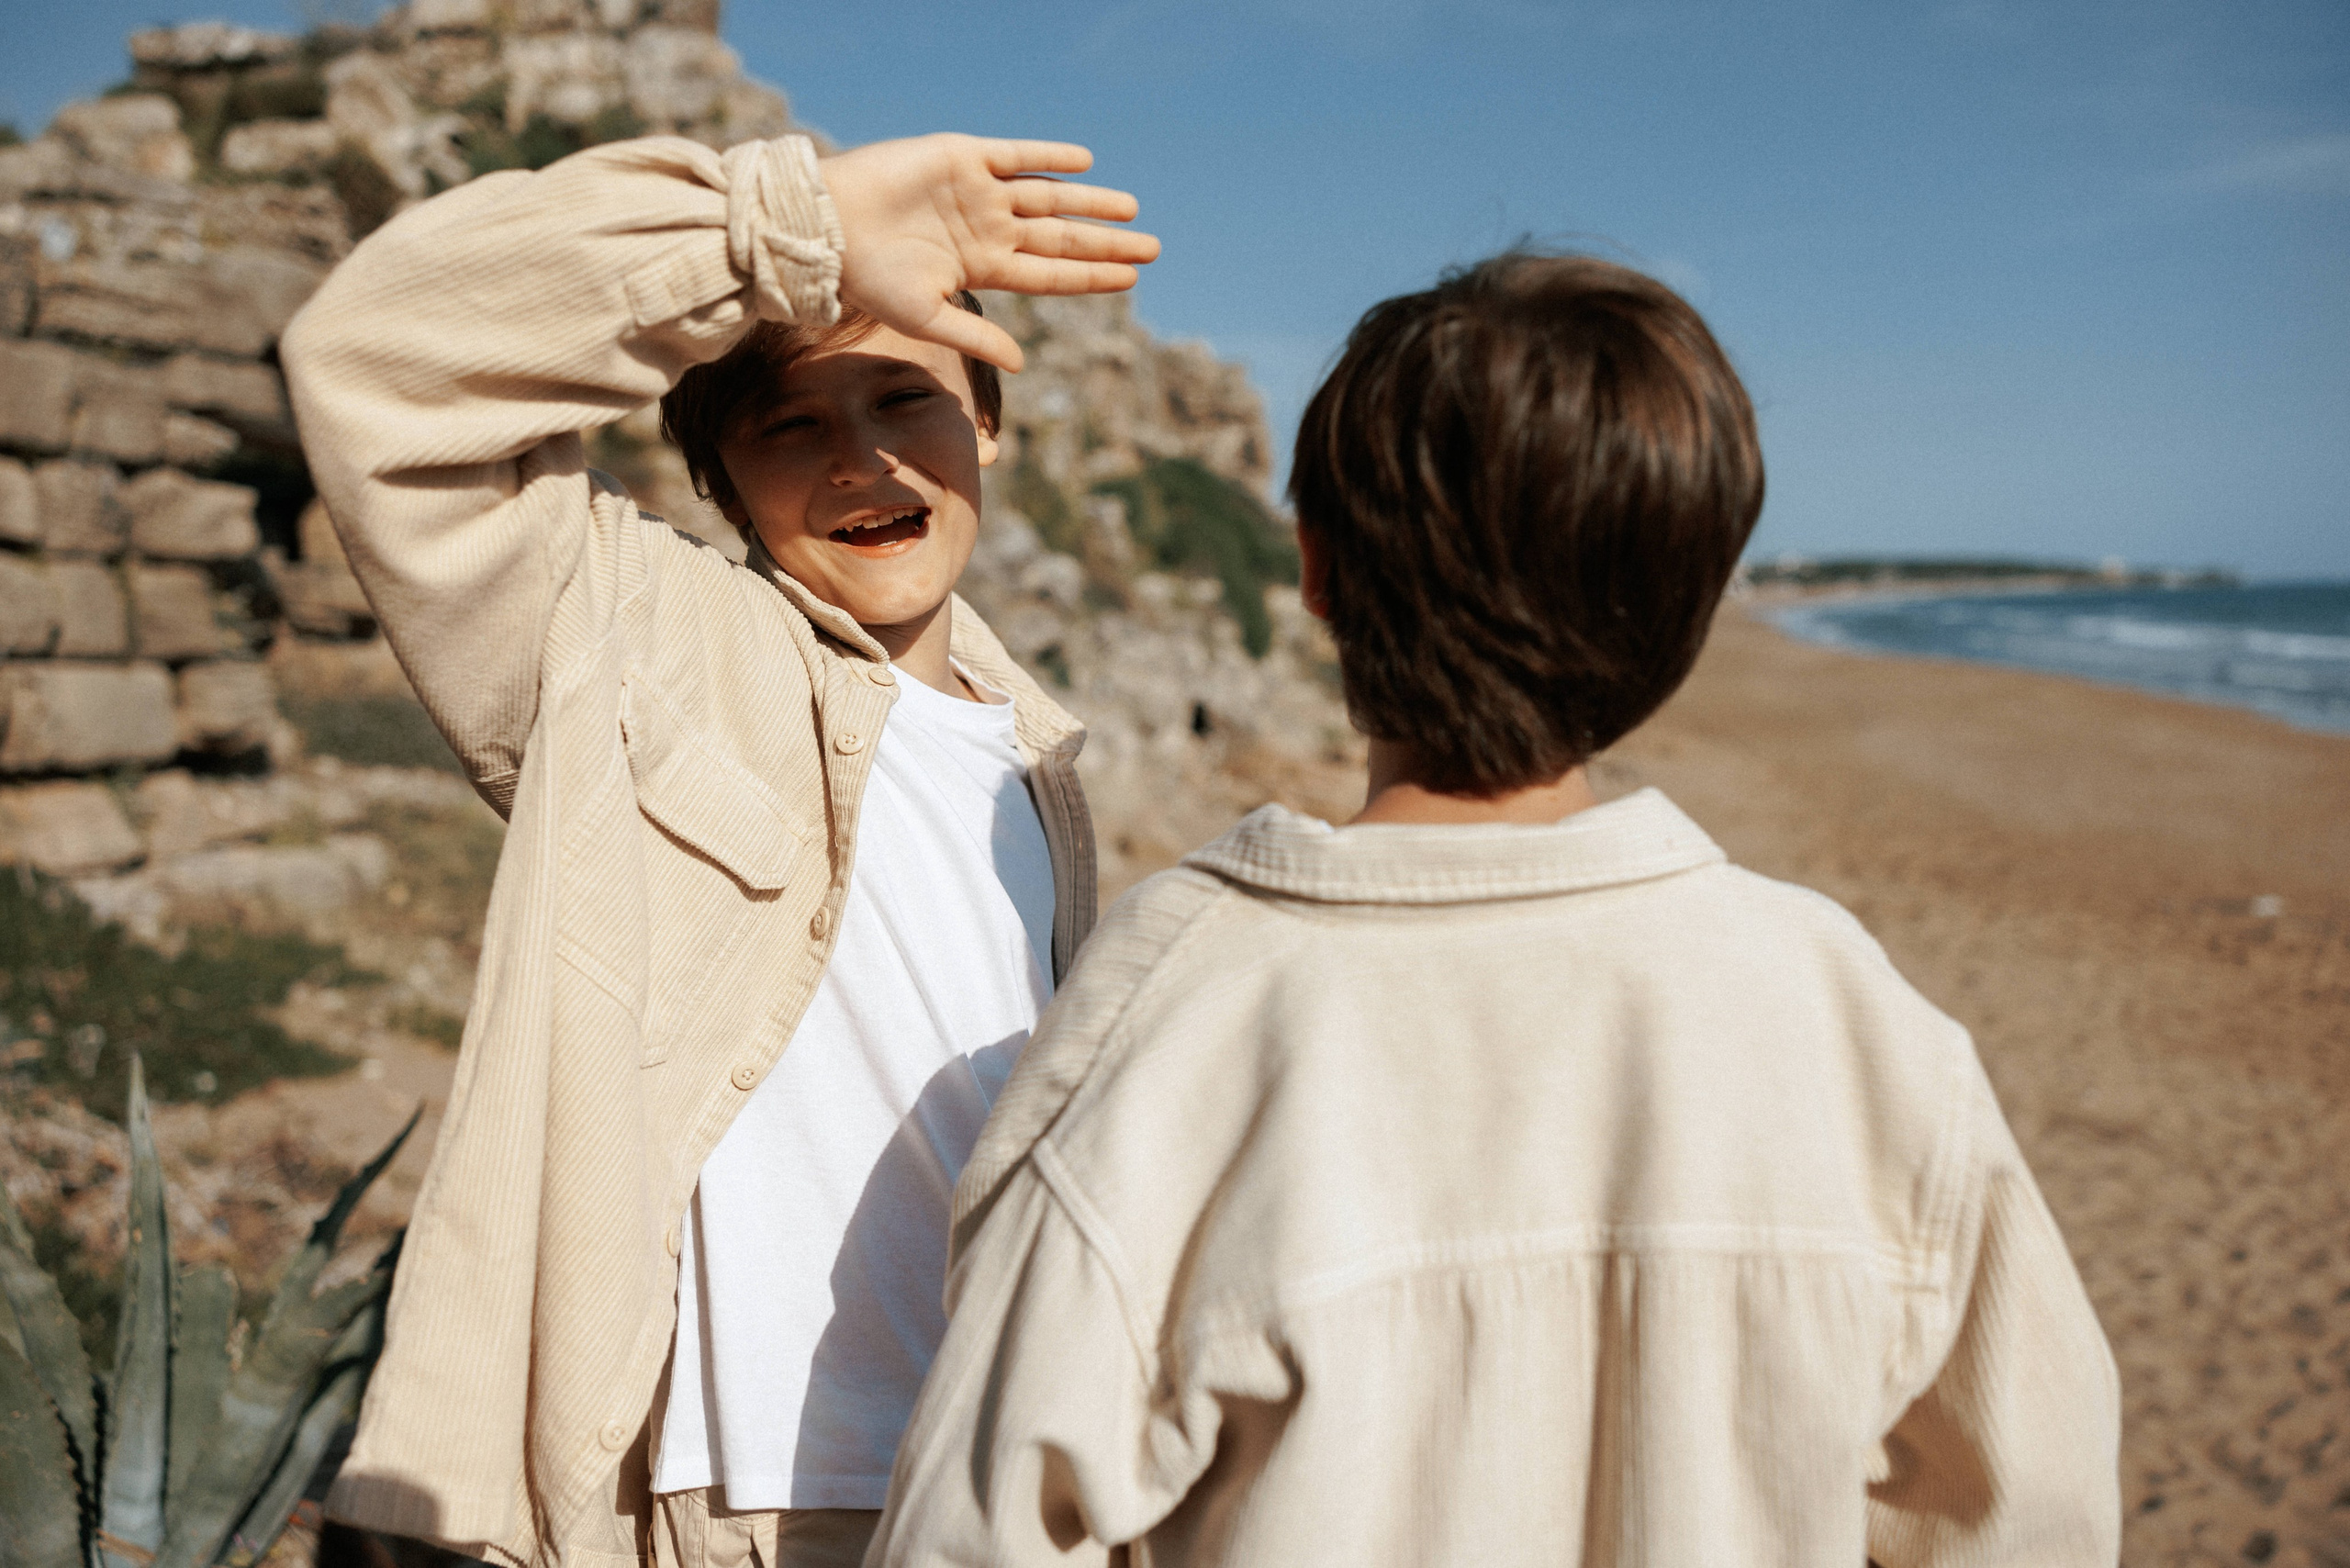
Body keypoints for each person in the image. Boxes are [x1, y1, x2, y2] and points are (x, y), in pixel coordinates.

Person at [866, 253, 2122, 1566]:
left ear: (1316, 571)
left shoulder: (1175, 1006)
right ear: (1688, 611)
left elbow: (975, 1530)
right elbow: (2028, 1523)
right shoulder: (1852, 1022)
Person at [279, 131, 1157, 1568]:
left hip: (998, 1483)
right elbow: (373, 359)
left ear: (988, 421)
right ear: (722, 483)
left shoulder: (1041, 769)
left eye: (905, 400)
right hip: (766, 1498)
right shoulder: (636, 638)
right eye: (788, 426)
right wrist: (780, 228)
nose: (860, 460)